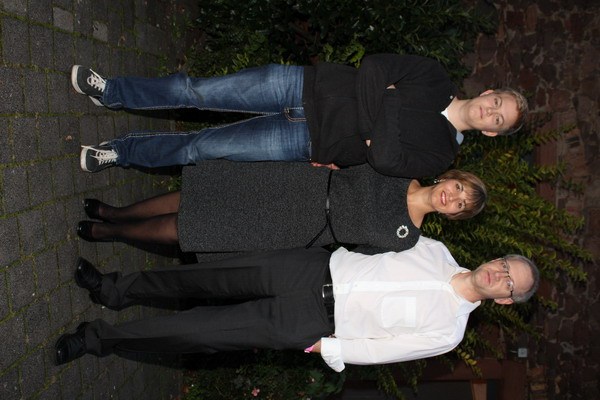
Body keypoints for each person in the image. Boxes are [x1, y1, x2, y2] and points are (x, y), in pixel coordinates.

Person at [55, 237, 539, 371]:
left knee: (199, 332)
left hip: (310, 321)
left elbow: (385, 350)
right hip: (309, 269)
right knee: (200, 278)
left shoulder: (448, 332)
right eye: (504, 265)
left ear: (504, 300)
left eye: (507, 283)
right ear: (496, 257)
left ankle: (98, 340)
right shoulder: (432, 248)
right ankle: (114, 289)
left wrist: (332, 348)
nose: (498, 274)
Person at [71, 54, 528, 177]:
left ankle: (121, 153)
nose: (490, 112)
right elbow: (374, 67)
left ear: (492, 134)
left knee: (200, 149)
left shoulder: (440, 156)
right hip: (303, 85)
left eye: (498, 120)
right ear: (489, 92)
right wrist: (375, 131)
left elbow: (387, 162)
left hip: (307, 142)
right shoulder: (433, 75)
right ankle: (112, 92)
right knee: (197, 90)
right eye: (497, 103)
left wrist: (386, 101)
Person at [76, 161, 487, 254]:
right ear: (449, 178)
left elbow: (357, 253)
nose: (452, 197)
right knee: (201, 196)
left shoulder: (406, 239)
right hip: (298, 183)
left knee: (194, 229)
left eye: (460, 204)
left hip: (299, 229)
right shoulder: (400, 169)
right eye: (458, 188)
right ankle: (115, 213)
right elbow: (353, 157)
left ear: (454, 215)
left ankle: (111, 232)